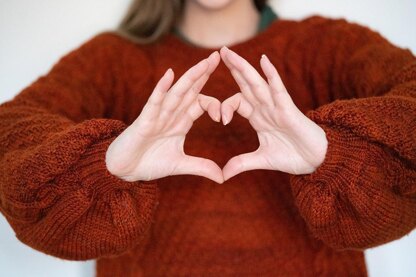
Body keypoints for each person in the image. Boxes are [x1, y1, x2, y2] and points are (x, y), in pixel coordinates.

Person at [0, 0, 415, 276]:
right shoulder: (110, 60)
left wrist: (334, 153)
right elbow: (13, 135)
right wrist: (104, 163)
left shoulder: (329, 45)